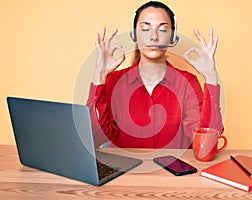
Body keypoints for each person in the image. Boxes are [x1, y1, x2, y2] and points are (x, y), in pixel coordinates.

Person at [86, 1, 224, 149]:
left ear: (172, 37)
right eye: (145, 29)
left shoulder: (187, 83)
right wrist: (99, 76)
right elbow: (94, 138)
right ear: (134, 35)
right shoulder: (114, 81)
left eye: (163, 30)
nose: (154, 36)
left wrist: (211, 78)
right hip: (126, 172)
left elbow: (206, 147)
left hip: (172, 172)